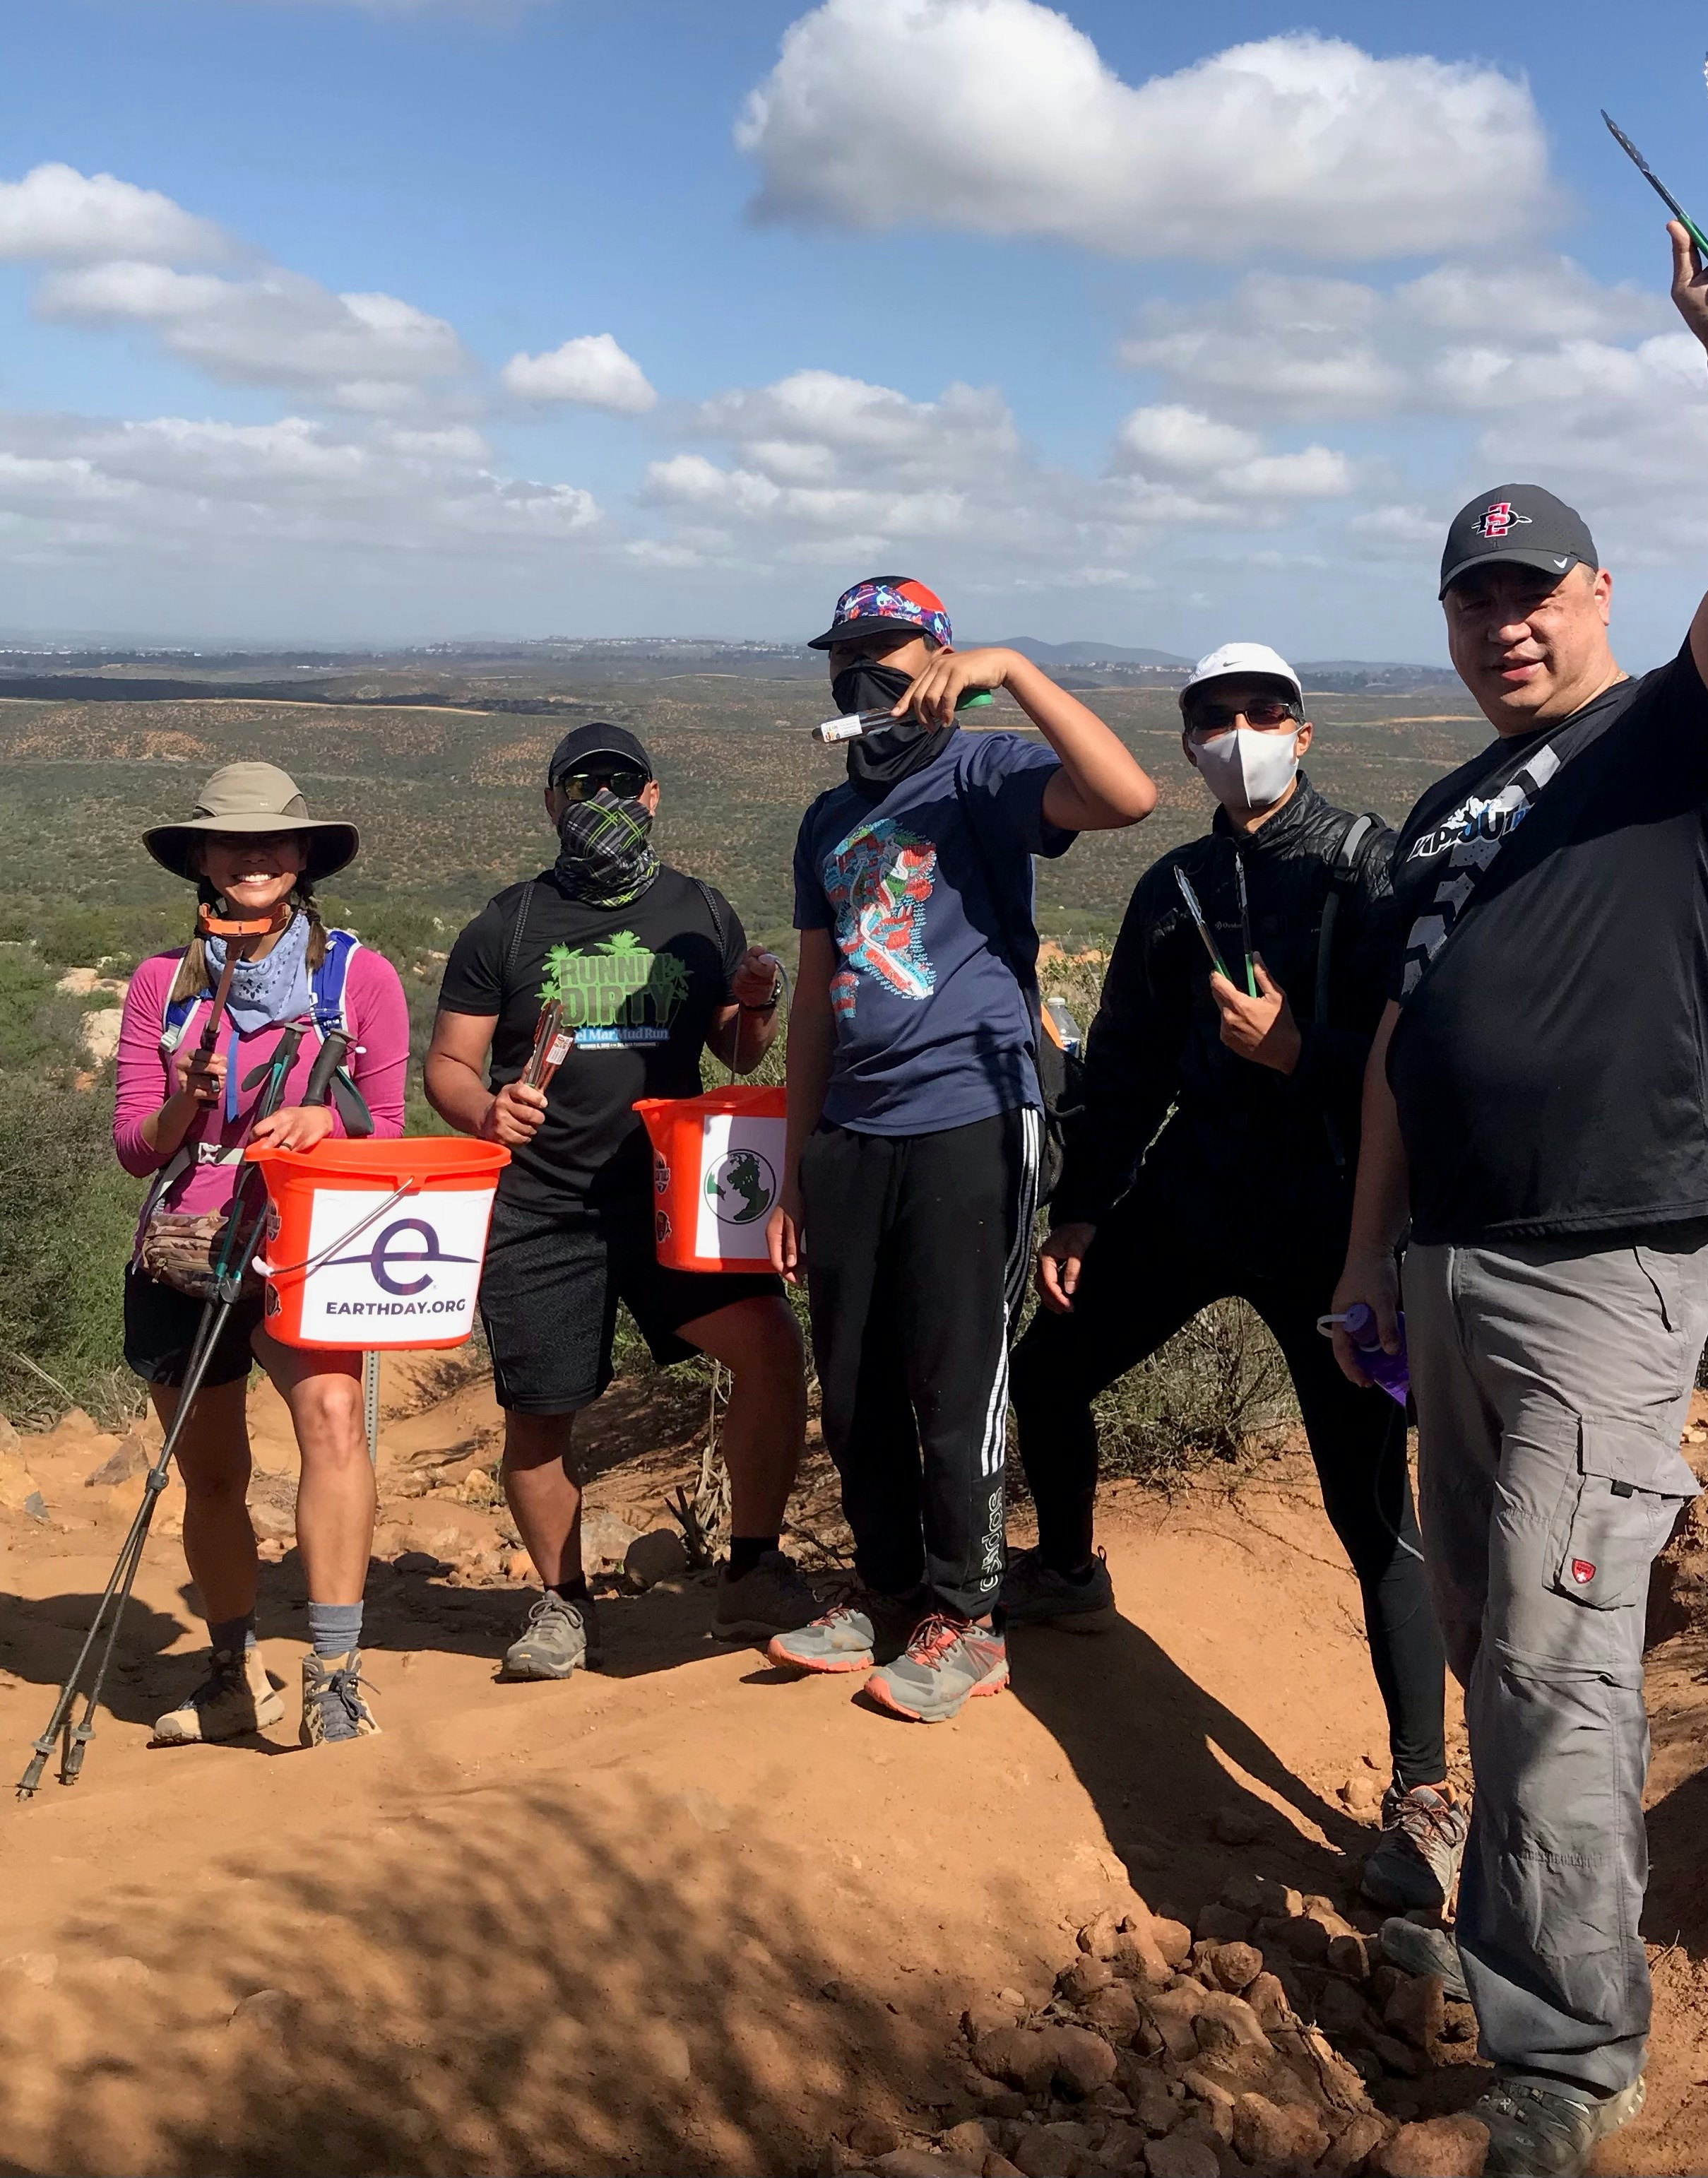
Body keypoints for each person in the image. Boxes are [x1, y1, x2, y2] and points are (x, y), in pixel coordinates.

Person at [1330, 191, 1708, 2177]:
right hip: (1447, 1262)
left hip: (1606, 1262)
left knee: (1545, 1642)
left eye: (1533, 589)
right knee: (1500, 1637)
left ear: (1599, 597)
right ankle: (1527, 1940)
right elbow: (1390, 1043)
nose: (1503, 619)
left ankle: (1558, 2056)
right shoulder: (1446, 808)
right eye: (1471, 598)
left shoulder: (1666, 741)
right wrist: (1367, 1250)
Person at [1007, 640, 1464, 1912]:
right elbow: (1130, 1065)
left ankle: (1424, 1791)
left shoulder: (1369, 870)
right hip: (1191, 1197)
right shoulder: (1173, 887)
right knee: (1049, 1375)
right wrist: (1087, 1212)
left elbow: (1409, 1070)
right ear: (1190, 738)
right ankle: (1067, 1568)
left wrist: (1297, 1055)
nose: (1240, 733)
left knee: (1370, 1509)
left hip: (1330, 1219)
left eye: (1264, 713)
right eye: (1214, 717)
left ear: (1303, 731)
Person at [764, 576, 1156, 1721]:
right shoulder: (827, 819)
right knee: (852, 1388)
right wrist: (797, 1160)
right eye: (845, 659)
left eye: (887, 655)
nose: (862, 677)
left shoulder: (980, 774)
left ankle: (967, 1615)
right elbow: (809, 998)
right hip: (852, 1130)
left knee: (954, 1375)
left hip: (969, 1113)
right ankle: (883, 1585)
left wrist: (1016, 673)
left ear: (935, 657)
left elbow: (1126, 796)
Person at [425, 723, 814, 1679]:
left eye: (622, 782)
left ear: (652, 798)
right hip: (543, 1205)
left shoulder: (699, 911)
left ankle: (753, 1571)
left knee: (770, 1351)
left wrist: (757, 1002)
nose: (602, 796)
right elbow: (447, 1063)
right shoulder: (507, 924)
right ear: (551, 802)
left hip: (677, 1200)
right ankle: (561, 1603)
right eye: (581, 783)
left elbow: (738, 1053)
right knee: (540, 1414)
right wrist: (485, 1109)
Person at [115, 761, 409, 1748]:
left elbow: (391, 1128)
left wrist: (326, 1115)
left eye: (272, 842)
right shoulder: (162, 983)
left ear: (302, 857)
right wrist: (187, 1098)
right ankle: (233, 1670)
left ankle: (334, 1675)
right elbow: (133, 1149)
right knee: (212, 1474)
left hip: (311, 1242)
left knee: (330, 1423)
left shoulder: (360, 977)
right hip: (185, 1244)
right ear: (200, 859)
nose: (253, 858)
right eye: (233, 843)